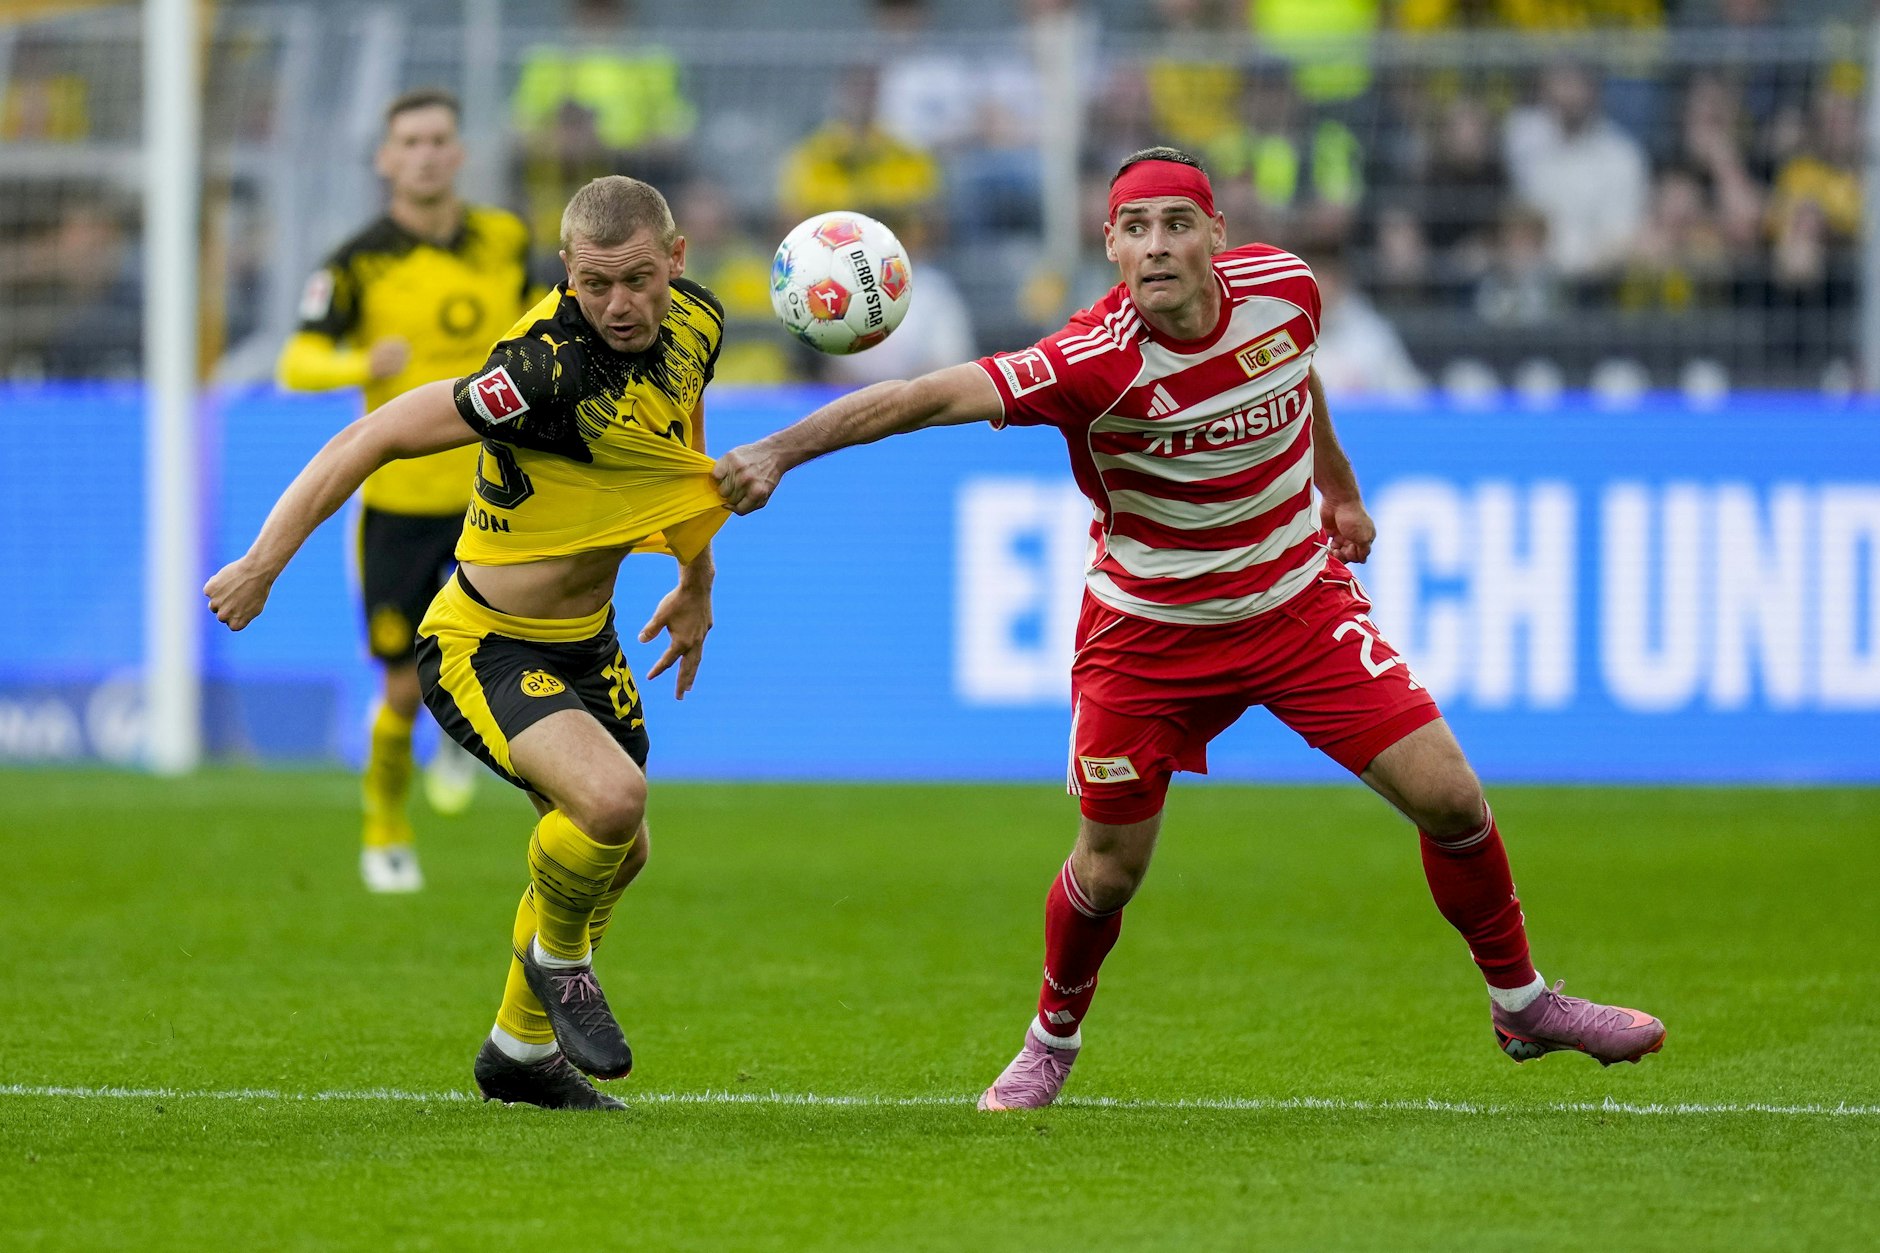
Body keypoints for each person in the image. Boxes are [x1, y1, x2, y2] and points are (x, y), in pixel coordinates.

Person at [713, 147, 1665, 1111]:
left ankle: (1522, 1004)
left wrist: (1339, 490)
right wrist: (779, 449)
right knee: (1109, 871)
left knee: (1452, 798)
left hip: (1298, 606)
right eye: (1136, 229)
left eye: (1176, 224)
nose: (1157, 245)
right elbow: (924, 398)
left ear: (1217, 233)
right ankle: (1052, 1037)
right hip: (1150, 638)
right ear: (1111, 247)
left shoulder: (1286, 290)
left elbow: (1297, 378)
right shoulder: (1090, 362)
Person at [210, 175, 730, 1111]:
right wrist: (262, 561)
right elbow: (372, 434)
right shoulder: (538, 370)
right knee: (611, 800)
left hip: (588, 639)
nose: (619, 305)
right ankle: (560, 961)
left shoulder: (697, 322)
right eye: (595, 284)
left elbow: (678, 441)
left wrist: (697, 577)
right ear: (565, 273)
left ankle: (519, 1052)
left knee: (623, 847)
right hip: (482, 641)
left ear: (677, 261)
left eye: (639, 280)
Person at [277, 89, 533, 893]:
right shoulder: (357, 263)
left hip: (497, 493)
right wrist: (362, 363)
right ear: (386, 159)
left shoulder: (506, 239)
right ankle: (385, 826)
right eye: (410, 142)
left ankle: (463, 737)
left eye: (438, 140)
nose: (425, 154)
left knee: (512, 652)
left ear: (459, 153)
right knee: (398, 685)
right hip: (399, 503)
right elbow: (296, 362)